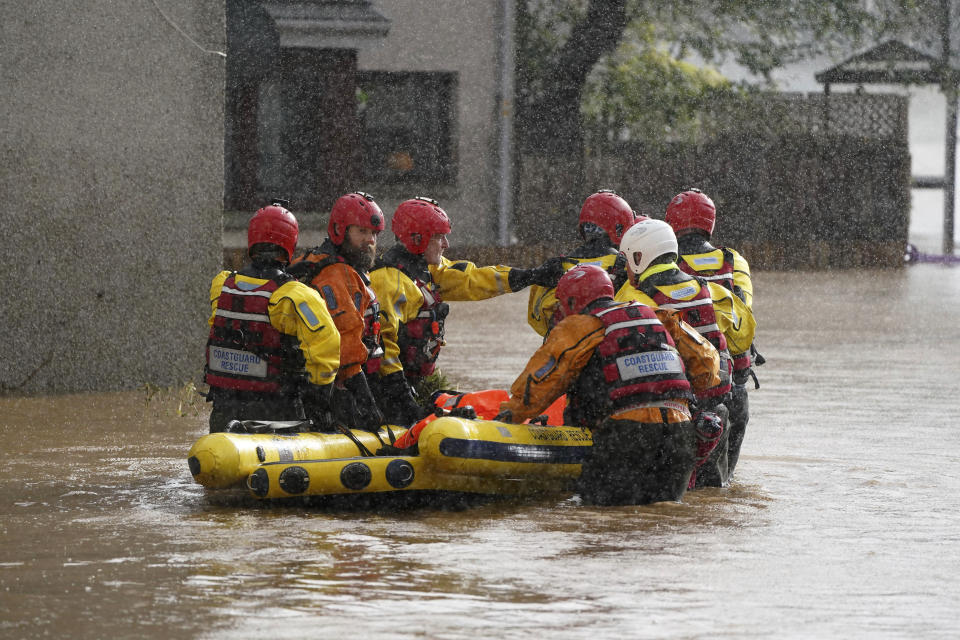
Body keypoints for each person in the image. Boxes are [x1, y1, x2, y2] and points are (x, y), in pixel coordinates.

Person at [496, 264, 721, 506]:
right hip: (679, 438)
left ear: (572, 302)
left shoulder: (581, 326)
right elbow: (708, 365)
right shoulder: (656, 315)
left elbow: (541, 382)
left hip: (625, 439)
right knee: (661, 519)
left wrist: (508, 417)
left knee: (603, 523)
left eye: (560, 304)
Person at [369, 196, 565, 427]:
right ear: (417, 238)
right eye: (439, 237)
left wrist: (531, 276)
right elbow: (383, 344)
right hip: (387, 391)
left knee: (487, 402)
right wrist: (403, 400)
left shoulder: (427, 272)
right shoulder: (388, 281)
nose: (446, 244)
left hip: (413, 383)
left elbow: (473, 279)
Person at [616, 218, 756, 487]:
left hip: (664, 420)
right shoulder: (712, 291)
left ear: (639, 257)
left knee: (668, 498)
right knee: (712, 501)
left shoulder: (630, 299)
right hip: (714, 415)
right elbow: (742, 339)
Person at [204, 201, 341, 433]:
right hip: (277, 413)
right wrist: (320, 402)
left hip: (224, 410)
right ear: (291, 243)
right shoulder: (295, 295)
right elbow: (327, 348)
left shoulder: (223, 284)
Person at [665, 188, 758, 477]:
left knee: (682, 479)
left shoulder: (664, 264)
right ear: (710, 222)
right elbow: (743, 312)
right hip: (731, 385)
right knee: (721, 484)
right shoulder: (734, 261)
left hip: (685, 388)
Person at [288, 191, 386, 432]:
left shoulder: (314, 260)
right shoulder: (337, 274)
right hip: (332, 390)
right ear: (340, 231)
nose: (370, 240)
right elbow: (346, 346)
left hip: (308, 385)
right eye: (361, 232)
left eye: (373, 233)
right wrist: (368, 405)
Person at [527, 189, 643, 337]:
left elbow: (538, 320)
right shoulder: (630, 266)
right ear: (619, 228)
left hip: (564, 346)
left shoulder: (556, 267)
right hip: (613, 345)